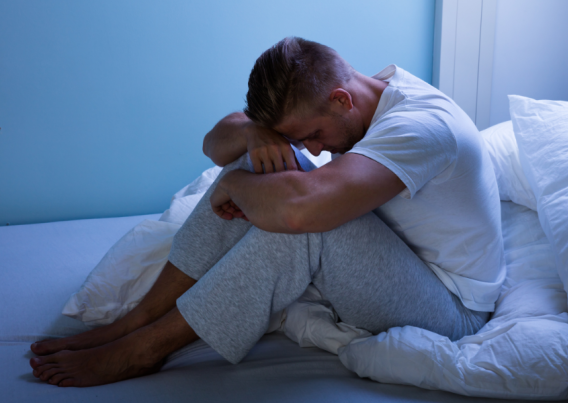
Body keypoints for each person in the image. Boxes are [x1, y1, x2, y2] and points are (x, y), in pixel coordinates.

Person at [29, 37, 505, 387]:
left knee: (304, 226)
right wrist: (257, 138)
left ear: (341, 100)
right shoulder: (360, 95)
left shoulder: (421, 127)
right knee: (256, 160)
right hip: (400, 257)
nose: (313, 149)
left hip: (450, 306)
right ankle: (136, 319)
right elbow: (216, 144)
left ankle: (144, 350)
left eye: (313, 136)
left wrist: (236, 186)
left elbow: (303, 214)